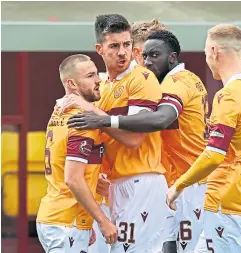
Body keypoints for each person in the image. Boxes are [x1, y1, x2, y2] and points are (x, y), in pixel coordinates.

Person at [67, 30, 209, 253]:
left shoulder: (174, 81)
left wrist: (104, 119)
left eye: (153, 55)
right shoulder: (114, 86)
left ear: (172, 57)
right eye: (143, 56)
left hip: (188, 182)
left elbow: (159, 120)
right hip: (174, 181)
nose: (145, 62)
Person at [166, 24, 241, 253]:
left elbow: (213, 155)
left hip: (225, 203)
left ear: (215, 51)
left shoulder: (227, 97)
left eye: (206, 53)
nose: (207, 58)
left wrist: (179, 185)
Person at [63, 14, 168, 253]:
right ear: (99, 49)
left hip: (141, 181)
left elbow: (133, 139)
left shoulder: (142, 78)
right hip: (114, 185)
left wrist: (95, 114)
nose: (122, 52)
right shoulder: (104, 86)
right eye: (114, 46)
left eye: (127, 45)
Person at [36, 54, 117, 253]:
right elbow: (72, 179)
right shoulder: (82, 121)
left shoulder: (59, 111)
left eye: (96, 74)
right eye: (90, 76)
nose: (98, 80)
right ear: (71, 84)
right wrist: (102, 220)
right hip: (67, 221)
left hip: (58, 217)